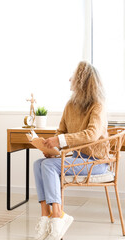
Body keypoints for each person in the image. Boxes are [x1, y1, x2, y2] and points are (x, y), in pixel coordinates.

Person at [33, 61, 108, 240]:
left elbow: (92, 134)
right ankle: (46, 216)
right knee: (38, 164)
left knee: (49, 167)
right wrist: (51, 147)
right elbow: (61, 131)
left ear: (82, 82)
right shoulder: (70, 105)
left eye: (73, 77)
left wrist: (58, 140)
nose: (69, 80)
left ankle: (58, 216)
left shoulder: (98, 105)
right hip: (75, 159)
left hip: (95, 163)